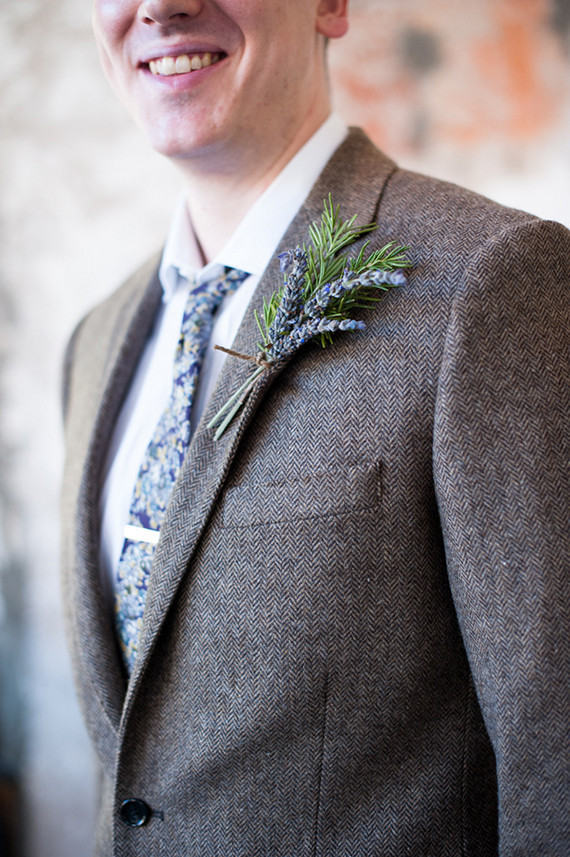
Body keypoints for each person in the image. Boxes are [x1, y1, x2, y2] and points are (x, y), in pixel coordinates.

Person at [60, 0, 570, 854]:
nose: (161, 7)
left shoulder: (492, 282)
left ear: (331, 4)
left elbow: (556, 751)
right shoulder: (95, 342)